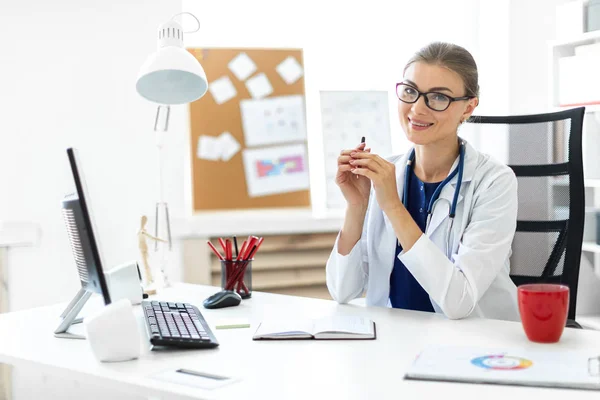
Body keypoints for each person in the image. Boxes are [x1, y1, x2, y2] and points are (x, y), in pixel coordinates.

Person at [326, 42, 519, 321]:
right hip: (397, 337)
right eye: (410, 91)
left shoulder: (494, 182)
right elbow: (342, 291)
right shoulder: (386, 174)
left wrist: (393, 206)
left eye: (438, 97)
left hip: (477, 342)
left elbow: (458, 302)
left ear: (468, 107)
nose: (417, 108)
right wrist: (356, 206)